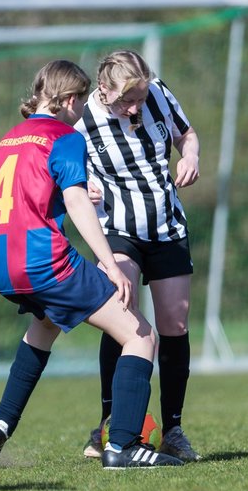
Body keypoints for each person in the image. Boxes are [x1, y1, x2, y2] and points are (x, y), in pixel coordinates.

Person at [0, 59, 182, 469]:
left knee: (44, 325)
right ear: (69, 100)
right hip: (43, 262)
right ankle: (122, 446)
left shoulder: (7, 141)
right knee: (140, 336)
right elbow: (78, 202)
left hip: (2, 265)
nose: (84, 108)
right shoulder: (64, 137)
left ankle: (1, 422)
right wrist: (112, 266)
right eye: (83, 100)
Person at [74, 49, 202, 461]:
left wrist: (191, 155)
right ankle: (110, 425)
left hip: (166, 227)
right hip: (116, 230)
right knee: (123, 316)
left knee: (174, 321)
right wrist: (85, 186)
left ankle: (174, 430)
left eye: (141, 98)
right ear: (104, 91)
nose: (135, 108)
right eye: (127, 100)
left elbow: (187, 135)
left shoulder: (159, 94)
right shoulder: (82, 123)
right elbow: (67, 176)